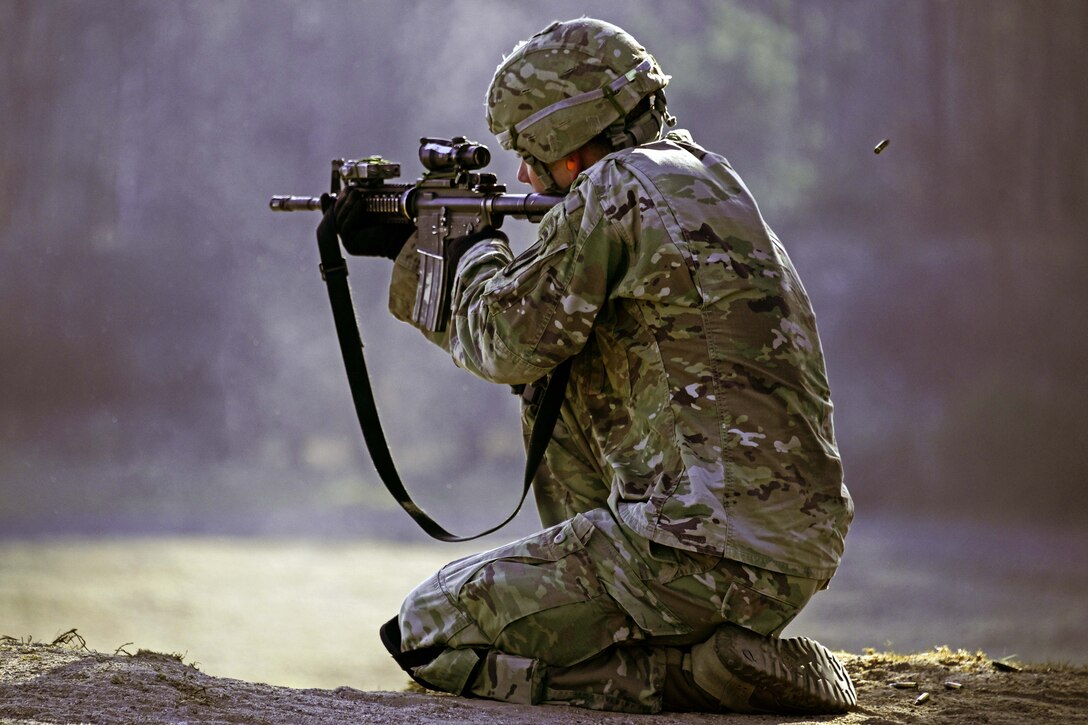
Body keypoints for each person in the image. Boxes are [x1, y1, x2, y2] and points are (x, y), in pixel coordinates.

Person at [328, 17, 855, 715]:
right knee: (558, 370)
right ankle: (715, 653)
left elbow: (504, 339)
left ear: (563, 135)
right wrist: (429, 248)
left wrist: (465, 250)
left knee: (427, 631)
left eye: (526, 150)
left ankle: (686, 676)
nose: (519, 174)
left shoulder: (616, 187)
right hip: (785, 557)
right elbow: (540, 353)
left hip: (687, 560)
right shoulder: (712, 180)